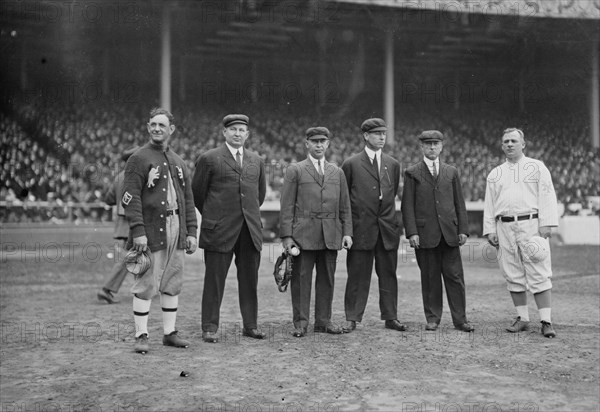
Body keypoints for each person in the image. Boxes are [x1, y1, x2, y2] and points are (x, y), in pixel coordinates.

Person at [122, 108, 198, 354]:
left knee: (172, 281)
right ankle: (141, 335)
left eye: (161, 125)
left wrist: (191, 232)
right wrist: (138, 230)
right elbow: (129, 197)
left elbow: (188, 199)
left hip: (177, 226)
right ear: (148, 126)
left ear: (171, 130)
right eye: (153, 124)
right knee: (145, 282)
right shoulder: (138, 158)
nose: (156, 128)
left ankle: (169, 333)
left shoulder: (178, 161)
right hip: (151, 226)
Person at [192, 114, 266, 343]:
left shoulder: (256, 160)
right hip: (219, 230)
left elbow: (259, 196)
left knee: (249, 280)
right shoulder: (209, 158)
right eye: (232, 129)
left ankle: (250, 325)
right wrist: (217, 217)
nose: (237, 133)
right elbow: (198, 194)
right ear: (224, 132)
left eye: (241, 129)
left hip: (249, 230)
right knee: (214, 280)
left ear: (247, 134)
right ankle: (210, 327)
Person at [483, 128, 558, 338]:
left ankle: (546, 320)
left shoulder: (537, 166)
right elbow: (490, 204)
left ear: (523, 144)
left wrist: (547, 223)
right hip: (504, 225)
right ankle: (523, 318)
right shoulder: (495, 173)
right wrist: (490, 229)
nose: (509, 144)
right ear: (501, 145)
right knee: (512, 272)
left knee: (539, 271)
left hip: (531, 223)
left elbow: (547, 195)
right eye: (506, 141)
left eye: (514, 141)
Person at [279, 127, 353, 337]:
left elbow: (345, 206)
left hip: (330, 234)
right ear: (307, 144)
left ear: (328, 144)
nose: (319, 145)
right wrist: (287, 236)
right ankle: (301, 323)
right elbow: (286, 205)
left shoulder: (336, 172)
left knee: (327, 279)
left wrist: (347, 232)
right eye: (315, 141)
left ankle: (323, 321)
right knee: (301, 280)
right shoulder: (296, 170)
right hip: (303, 236)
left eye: (323, 141)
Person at [401, 130, 474, 333]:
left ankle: (460, 320)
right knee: (430, 278)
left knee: (455, 277)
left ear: (442, 146)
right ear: (422, 147)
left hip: (449, 233)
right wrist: (412, 232)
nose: (432, 147)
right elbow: (407, 206)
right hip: (425, 235)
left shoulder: (451, 171)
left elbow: (459, 203)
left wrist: (463, 229)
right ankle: (433, 318)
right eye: (428, 144)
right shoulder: (412, 172)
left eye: (436, 144)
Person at [340, 118, 406, 333]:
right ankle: (352, 317)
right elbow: (345, 199)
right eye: (376, 133)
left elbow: (391, 193)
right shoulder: (351, 163)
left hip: (386, 229)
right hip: (361, 230)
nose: (381, 137)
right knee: (358, 275)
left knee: (388, 274)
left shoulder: (393, 164)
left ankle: (390, 316)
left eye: (383, 134)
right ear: (366, 136)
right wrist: (348, 230)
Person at [97, 146, 138, 304]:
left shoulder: (119, 177)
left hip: (121, 224)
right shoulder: (136, 176)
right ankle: (106, 289)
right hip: (133, 222)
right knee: (128, 257)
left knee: (137, 256)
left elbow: (108, 199)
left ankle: (143, 289)